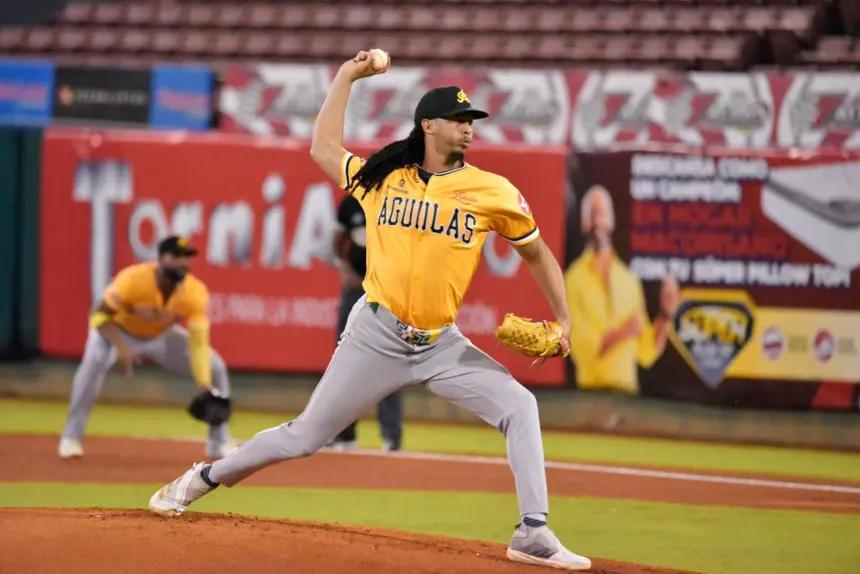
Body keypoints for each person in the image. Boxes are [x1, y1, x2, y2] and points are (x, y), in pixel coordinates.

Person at [148, 50, 591, 571]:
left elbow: (535, 252)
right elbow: (323, 148)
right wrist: (346, 76)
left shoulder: (494, 191)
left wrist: (563, 319)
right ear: (428, 125)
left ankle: (533, 532)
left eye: (472, 121)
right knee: (305, 437)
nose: (469, 129)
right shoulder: (384, 176)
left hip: (441, 344)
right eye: (459, 119)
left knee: (521, 406)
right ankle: (201, 480)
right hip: (375, 335)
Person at [59, 236, 234, 460]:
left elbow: (198, 342)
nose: (183, 263)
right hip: (117, 332)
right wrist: (121, 346)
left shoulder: (194, 292)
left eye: (187, 258)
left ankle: (217, 443)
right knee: (93, 363)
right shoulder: (133, 280)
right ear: (160, 259)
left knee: (216, 367)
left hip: (159, 336)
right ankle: (71, 437)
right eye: (176, 256)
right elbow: (99, 315)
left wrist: (203, 384)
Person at [564, 185, 681, 395]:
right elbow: (583, 349)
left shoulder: (628, 280)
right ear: (583, 223)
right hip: (591, 394)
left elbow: (646, 352)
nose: (597, 221)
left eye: (602, 214)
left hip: (627, 395)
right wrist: (624, 332)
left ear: (612, 220)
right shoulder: (572, 280)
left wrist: (666, 313)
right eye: (592, 215)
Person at [328, 193, 403, 451]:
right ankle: (344, 434)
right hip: (356, 287)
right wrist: (345, 271)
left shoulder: (398, 203)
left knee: (389, 358)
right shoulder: (351, 204)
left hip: (386, 290)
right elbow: (337, 244)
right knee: (345, 357)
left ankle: (392, 436)